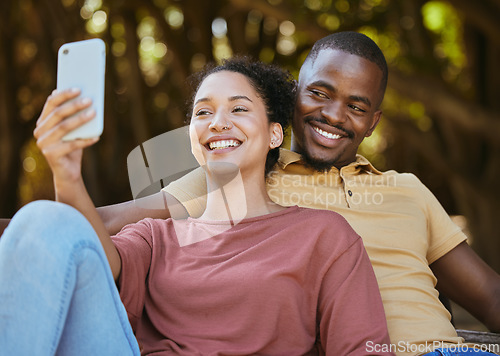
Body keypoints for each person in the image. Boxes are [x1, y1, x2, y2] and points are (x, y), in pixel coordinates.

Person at [79, 32, 500, 356]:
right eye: (319, 93)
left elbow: (488, 295)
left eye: (356, 107)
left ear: (373, 122)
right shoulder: (242, 177)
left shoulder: (407, 189)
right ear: (294, 93)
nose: (333, 115)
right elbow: (108, 221)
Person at [0, 57, 393, 355]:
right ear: (192, 138)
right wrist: (66, 172)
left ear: (275, 134)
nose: (218, 122)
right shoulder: (155, 238)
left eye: (238, 109)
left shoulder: (324, 236)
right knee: (43, 217)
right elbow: (89, 258)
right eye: (203, 112)